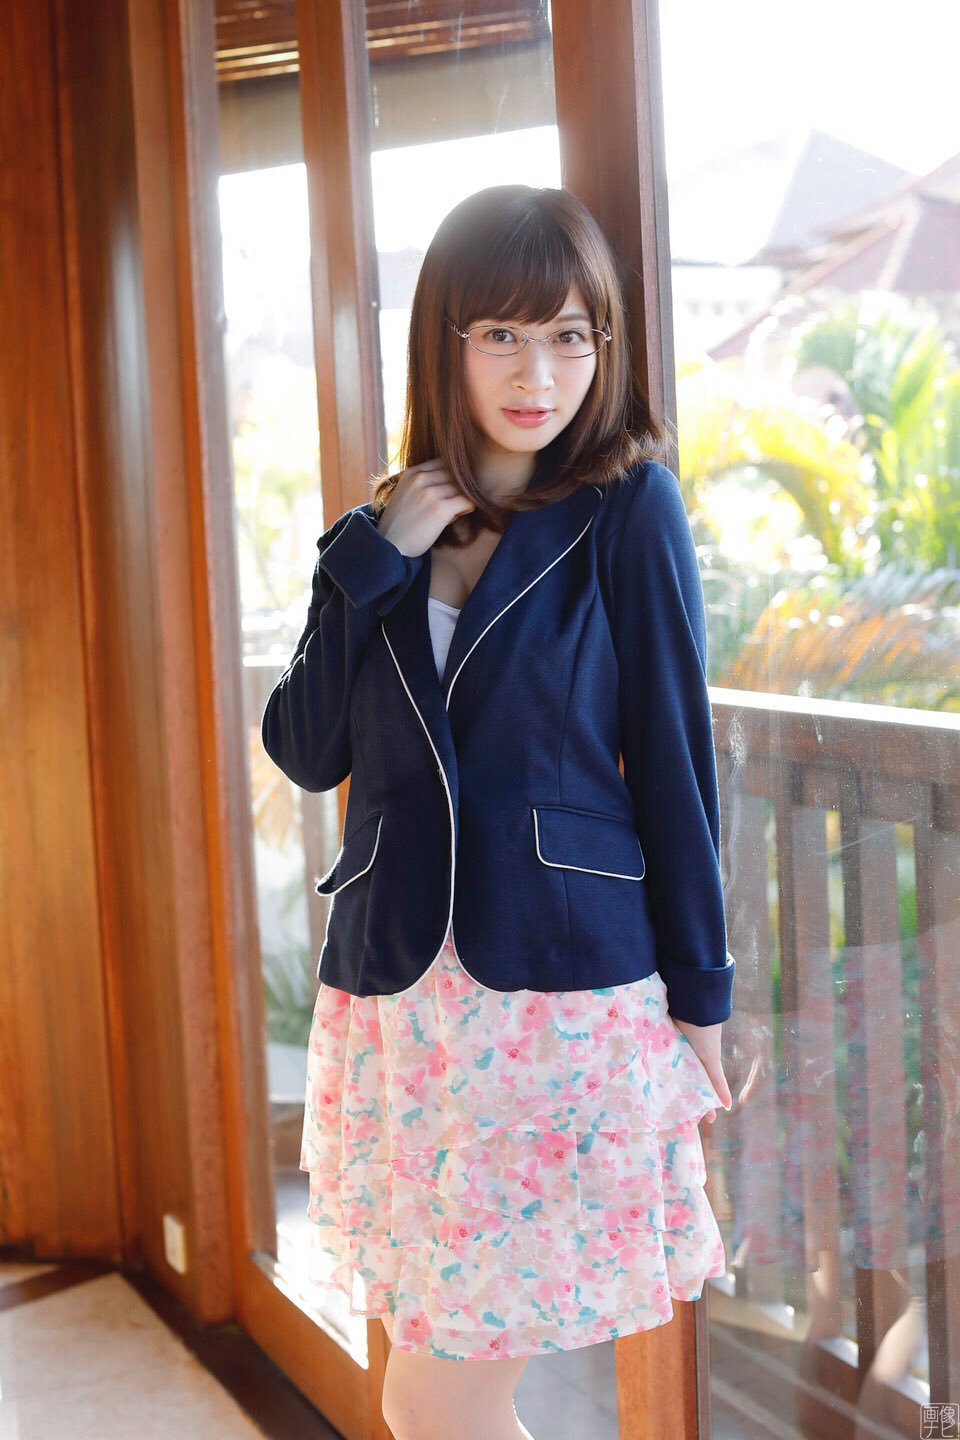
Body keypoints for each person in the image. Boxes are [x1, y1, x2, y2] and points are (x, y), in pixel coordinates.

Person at [262, 184, 735, 1440]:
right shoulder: (379, 530)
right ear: (448, 342)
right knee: (425, 1392)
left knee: (431, 1399)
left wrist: (702, 995)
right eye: (504, 335)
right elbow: (305, 750)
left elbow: (675, 762)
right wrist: (372, 562)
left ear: (604, 346)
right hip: (404, 1003)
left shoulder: (628, 510)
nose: (540, 373)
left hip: (556, 999)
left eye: (572, 336)